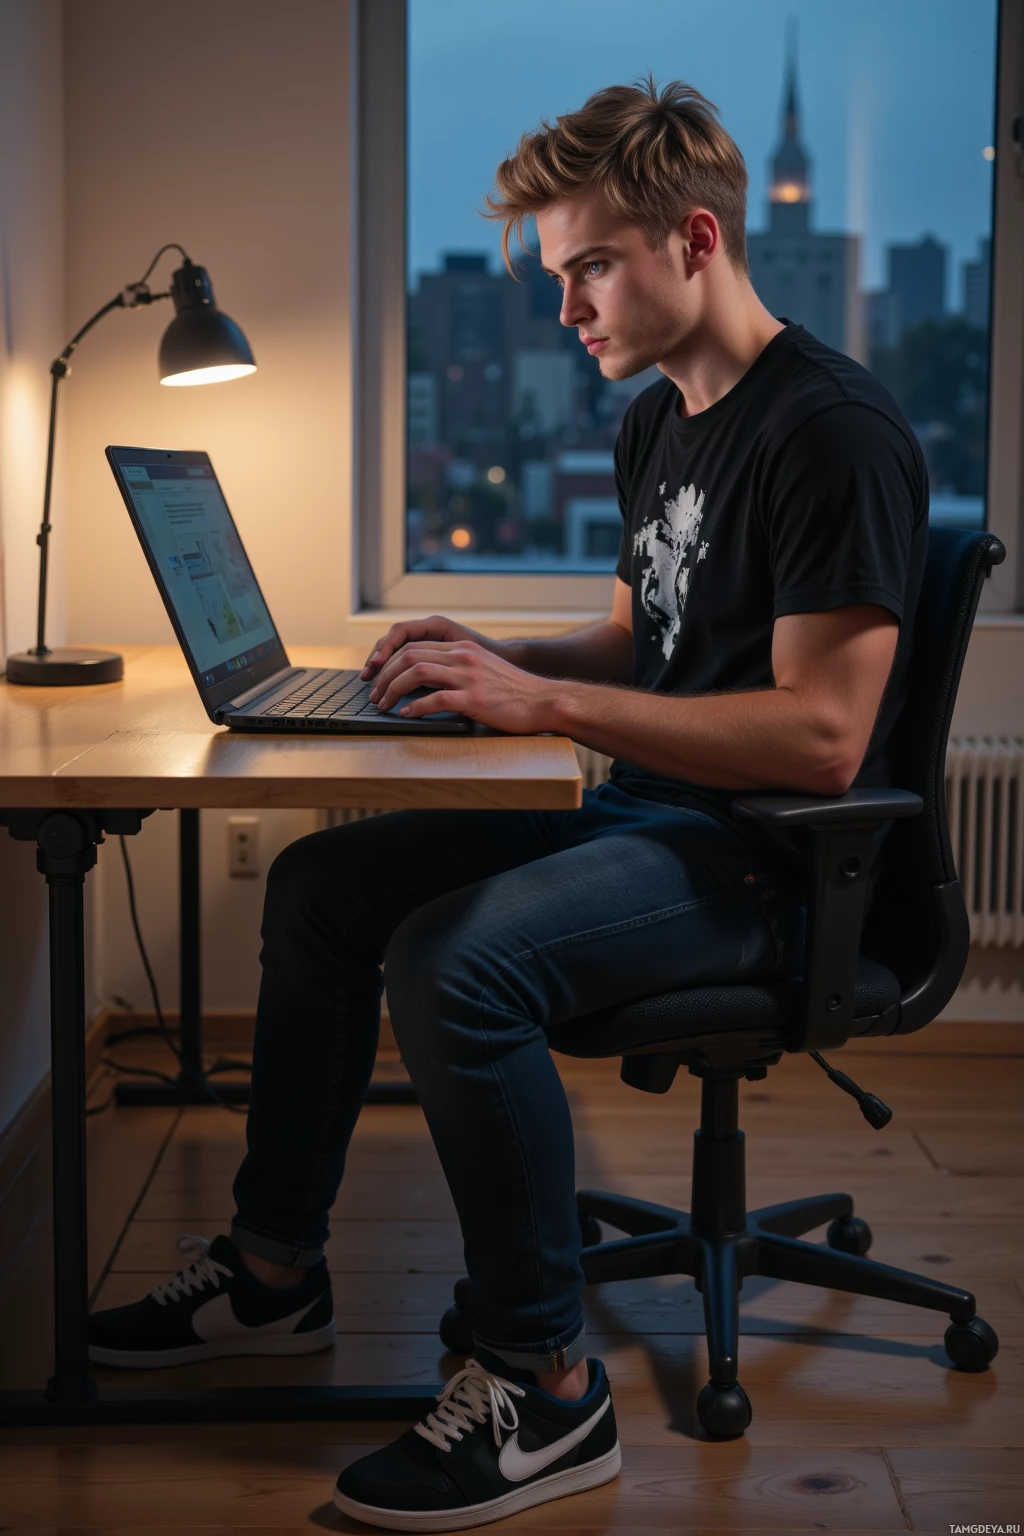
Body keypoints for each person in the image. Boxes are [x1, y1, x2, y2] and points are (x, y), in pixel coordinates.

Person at [88, 76, 927, 1532]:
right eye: (557, 278)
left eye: (590, 267)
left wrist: (541, 708)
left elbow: (821, 738)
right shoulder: (664, 423)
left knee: (455, 961)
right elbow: (637, 640)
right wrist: (491, 660)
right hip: (660, 820)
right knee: (323, 889)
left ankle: (549, 1390)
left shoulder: (831, 431)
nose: (568, 310)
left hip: (768, 864)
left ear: (696, 238)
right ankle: (276, 1275)